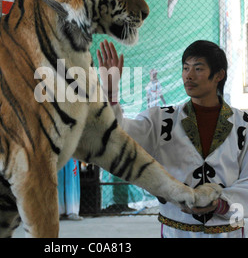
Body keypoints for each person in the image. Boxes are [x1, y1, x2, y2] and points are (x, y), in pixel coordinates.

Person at [97, 39, 248, 238]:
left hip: (229, 232)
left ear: (219, 75)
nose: (189, 76)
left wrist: (221, 203)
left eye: (198, 69)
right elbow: (118, 137)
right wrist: (111, 94)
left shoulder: (243, 124)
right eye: (185, 68)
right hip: (177, 231)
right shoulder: (161, 119)